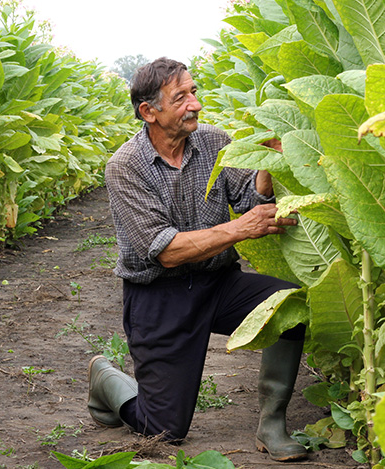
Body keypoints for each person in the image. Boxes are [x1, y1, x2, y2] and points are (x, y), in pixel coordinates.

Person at [86, 57, 308, 462]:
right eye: (181, 98)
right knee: (164, 430)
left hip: (219, 283)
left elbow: (247, 197)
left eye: (193, 92)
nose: (195, 104)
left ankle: (272, 423)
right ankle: (106, 379)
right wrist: (240, 229)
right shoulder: (125, 167)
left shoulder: (213, 141)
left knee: (291, 304)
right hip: (158, 297)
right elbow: (165, 251)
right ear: (149, 112)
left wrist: (267, 164)